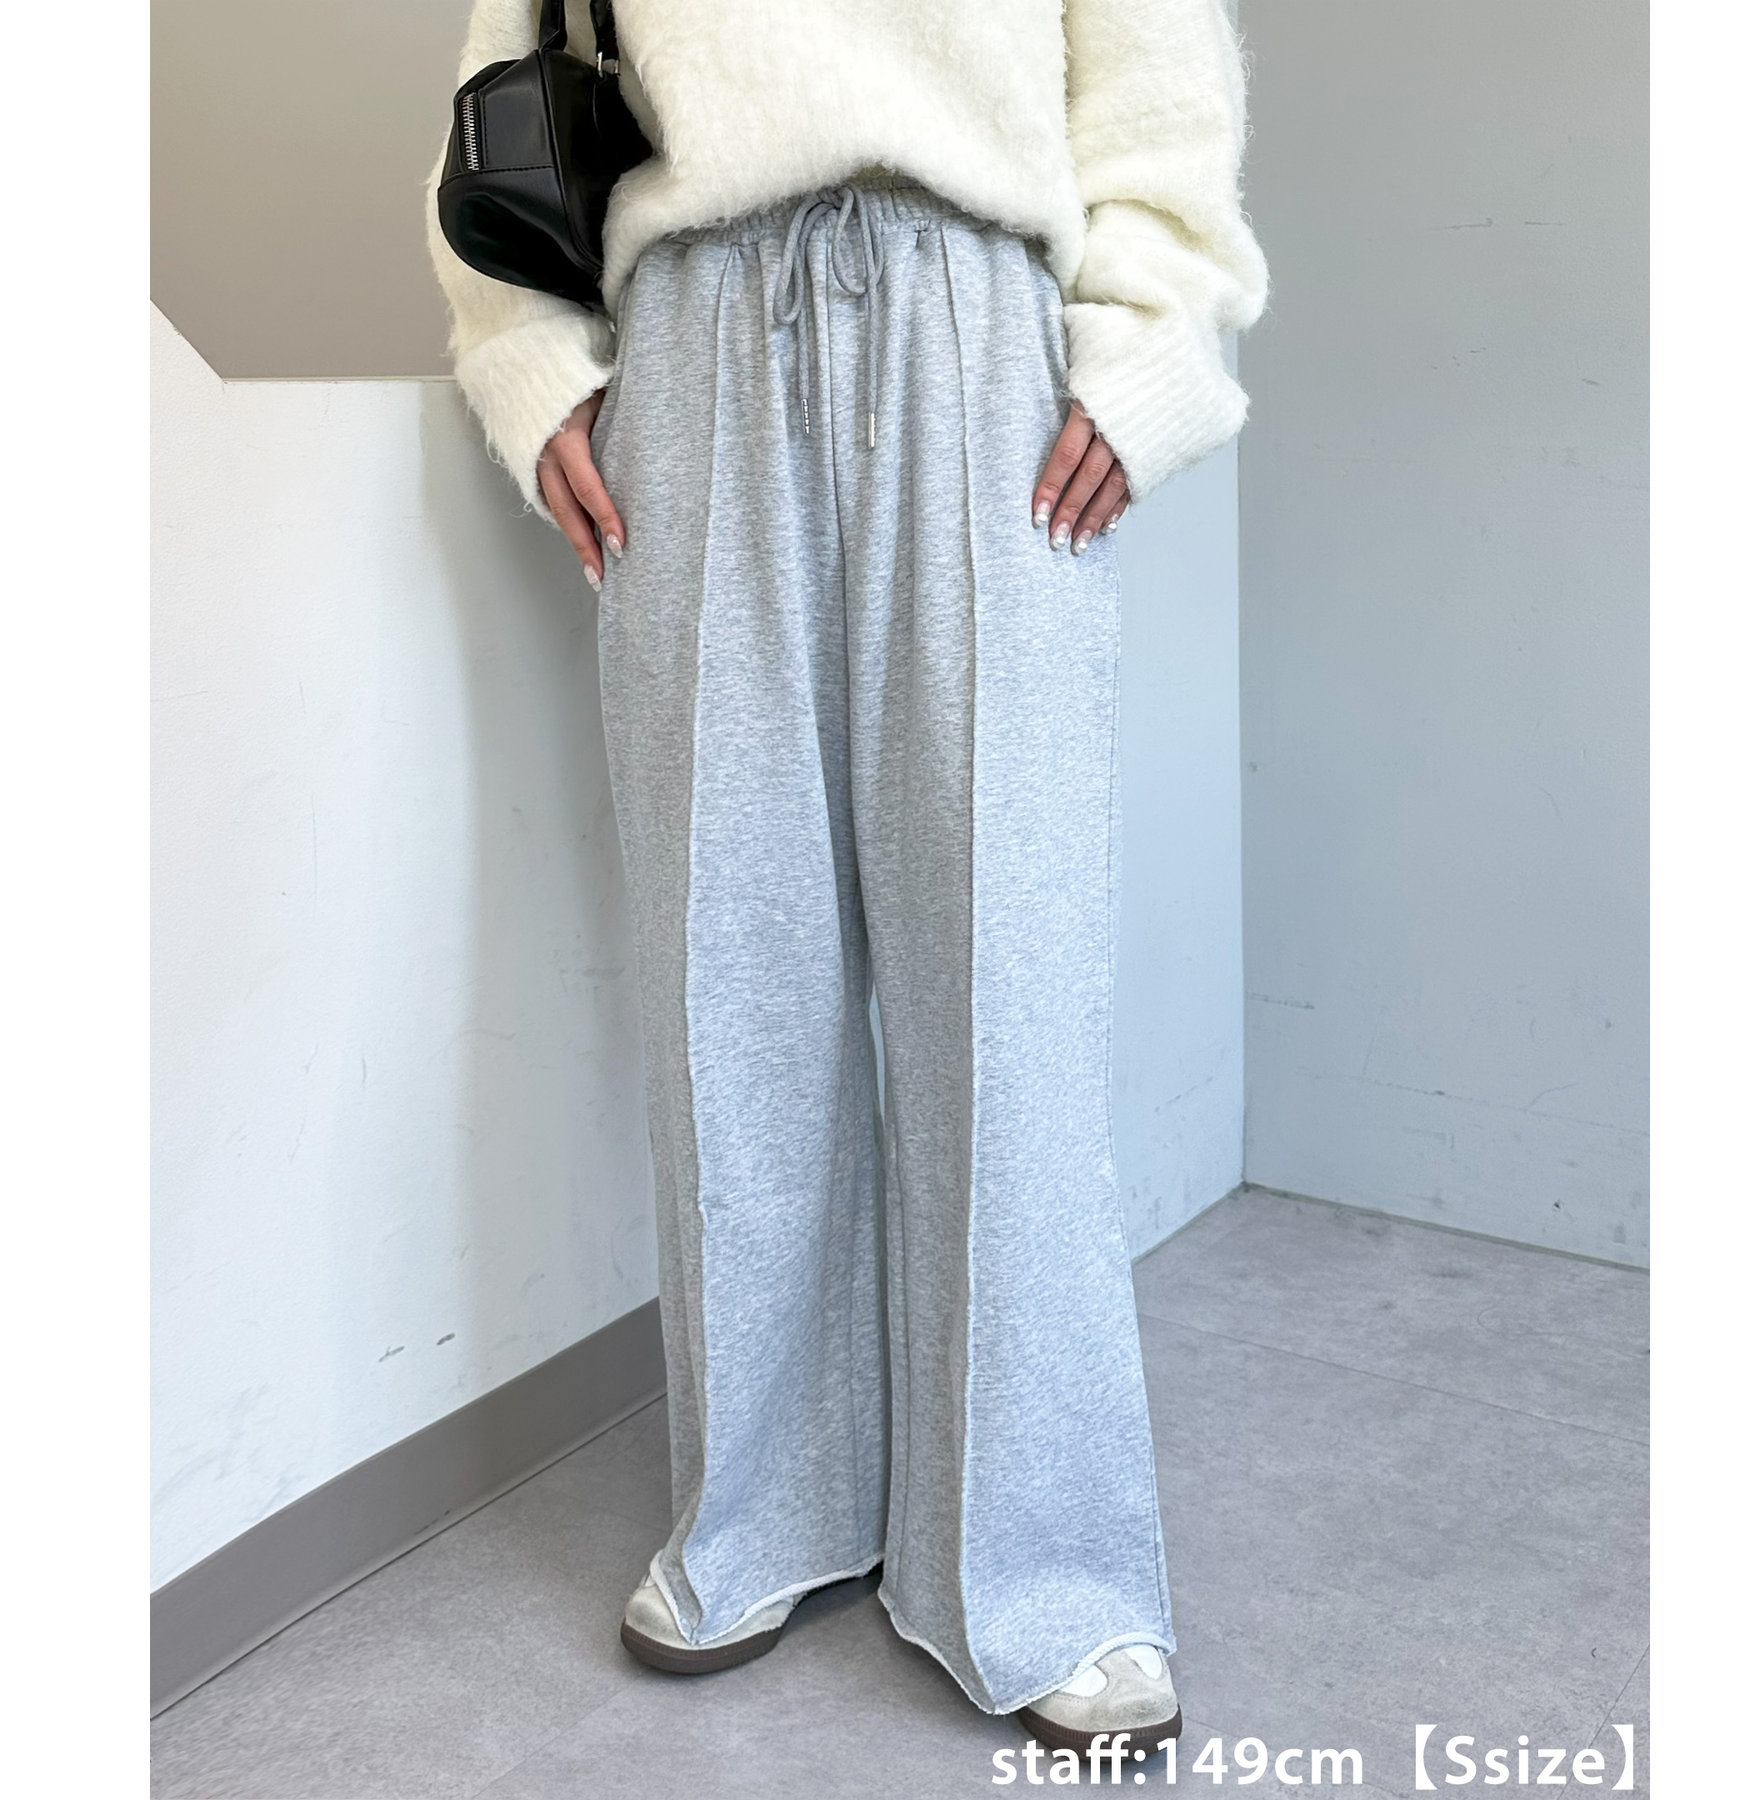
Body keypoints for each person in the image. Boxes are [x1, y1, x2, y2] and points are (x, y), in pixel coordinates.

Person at [427, 0, 1267, 1755]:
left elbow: (1159, 87)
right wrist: (529, 362)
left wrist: (1147, 347)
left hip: (982, 340)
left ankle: (1048, 1566)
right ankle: (762, 1507)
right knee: (729, 974)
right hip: (688, 338)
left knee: (1007, 978)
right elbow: (501, 76)